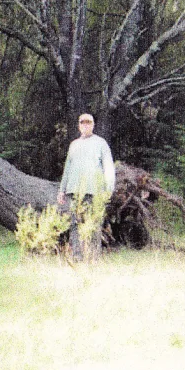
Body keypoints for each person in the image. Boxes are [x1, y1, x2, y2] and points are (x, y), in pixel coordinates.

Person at [57, 112, 116, 262]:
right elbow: (67, 169)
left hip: (93, 191)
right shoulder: (74, 145)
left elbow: (108, 167)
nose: (85, 125)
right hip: (74, 191)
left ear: (93, 125)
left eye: (88, 122)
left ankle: (93, 257)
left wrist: (108, 189)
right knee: (75, 224)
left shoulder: (101, 143)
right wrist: (62, 190)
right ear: (79, 125)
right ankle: (77, 256)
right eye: (82, 122)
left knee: (94, 223)